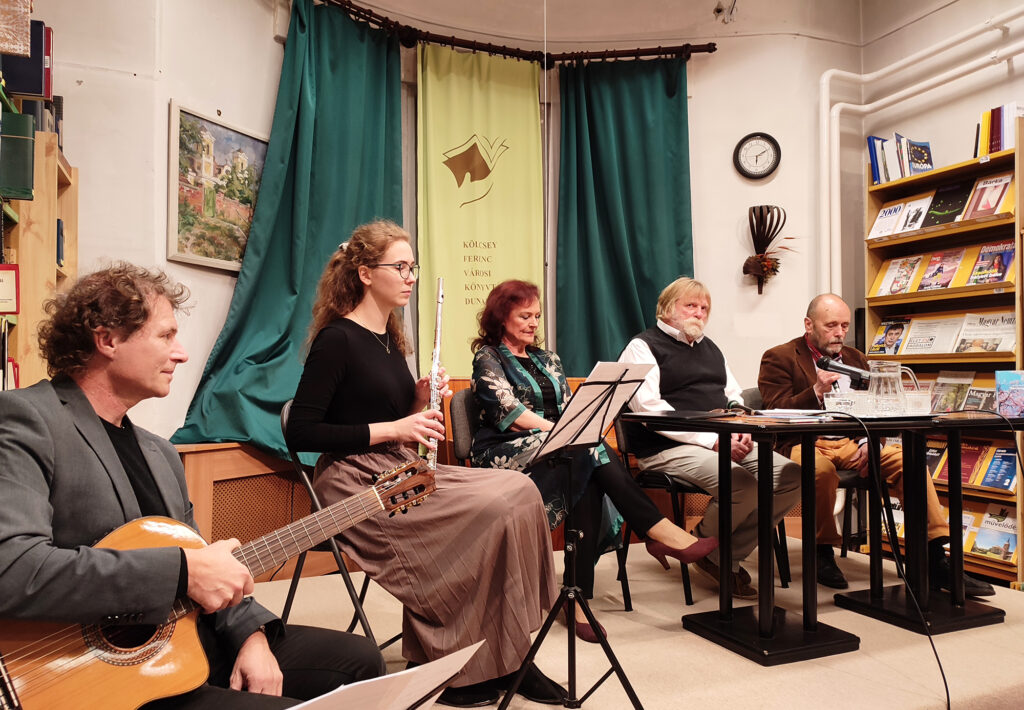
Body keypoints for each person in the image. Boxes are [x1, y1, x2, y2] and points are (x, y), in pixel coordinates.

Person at [0, 263, 384, 710]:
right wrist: (181, 572)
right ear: (107, 340)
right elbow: (14, 568)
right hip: (95, 674)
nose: (181, 354)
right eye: (166, 336)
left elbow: (207, 564)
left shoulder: (161, 453)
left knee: (360, 661)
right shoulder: (28, 420)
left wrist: (252, 636)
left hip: (185, 637)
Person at [285, 221, 564, 708]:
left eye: (412, 266)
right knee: (487, 512)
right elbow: (302, 432)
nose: (411, 276)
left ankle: (514, 652)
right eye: (400, 266)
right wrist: (396, 428)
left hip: (396, 467)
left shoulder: (389, 338)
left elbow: (389, 415)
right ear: (365, 273)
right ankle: (456, 661)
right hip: (354, 483)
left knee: (519, 491)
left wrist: (417, 400)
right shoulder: (337, 339)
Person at [470, 280, 718, 640]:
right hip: (503, 450)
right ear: (501, 317)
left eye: (536, 316)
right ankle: (656, 531)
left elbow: (571, 407)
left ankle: (577, 596)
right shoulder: (488, 357)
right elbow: (509, 411)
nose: (533, 322)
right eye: (524, 316)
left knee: (584, 468)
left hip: (562, 450)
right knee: (585, 449)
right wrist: (563, 432)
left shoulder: (548, 359)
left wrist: (574, 429)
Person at [758, 293, 994, 596]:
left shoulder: (856, 359)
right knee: (819, 471)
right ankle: (821, 552)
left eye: (844, 325)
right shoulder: (779, 357)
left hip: (851, 442)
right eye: (831, 325)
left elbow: (877, 408)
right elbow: (773, 410)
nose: (840, 332)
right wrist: (815, 391)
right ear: (809, 324)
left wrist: (870, 441)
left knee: (909, 462)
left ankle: (935, 558)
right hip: (805, 442)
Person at [618, 277, 801, 599]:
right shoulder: (642, 347)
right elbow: (650, 410)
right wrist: (712, 441)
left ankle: (718, 555)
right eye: (690, 305)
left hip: (722, 438)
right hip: (665, 447)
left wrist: (740, 426)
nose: (699, 313)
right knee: (741, 483)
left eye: (704, 308)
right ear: (666, 308)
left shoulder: (710, 348)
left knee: (791, 476)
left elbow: (733, 395)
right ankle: (698, 547)